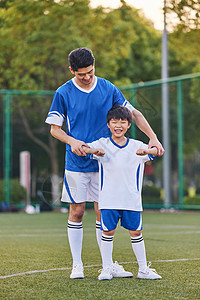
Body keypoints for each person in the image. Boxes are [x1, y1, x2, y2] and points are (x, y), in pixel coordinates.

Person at [45, 48, 164, 279]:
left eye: (90, 72)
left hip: (105, 163)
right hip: (77, 162)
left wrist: (153, 137)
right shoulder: (63, 92)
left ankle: (107, 266)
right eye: (82, 74)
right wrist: (73, 141)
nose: (87, 77)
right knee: (77, 211)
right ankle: (77, 265)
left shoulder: (108, 88)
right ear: (72, 71)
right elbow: (55, 129)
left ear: (94, 65)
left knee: (103, 213)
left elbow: (134, 114)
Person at [83, 105, 162, 280]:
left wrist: (147, 150)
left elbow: (157, 151)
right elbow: (84, 149)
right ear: (108, 124)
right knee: (107, 232)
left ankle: (143, 269)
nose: (118, 125)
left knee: (136, 233)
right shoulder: (101, 144)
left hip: (131, 201)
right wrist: (93, 151)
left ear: (128, 125)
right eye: (114, 121)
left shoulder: (136, 145)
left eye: (123, 122)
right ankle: (106, 269)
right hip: (108, 200)